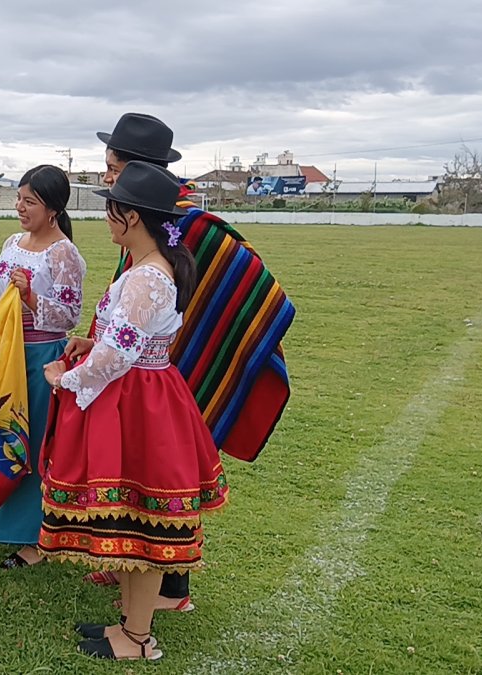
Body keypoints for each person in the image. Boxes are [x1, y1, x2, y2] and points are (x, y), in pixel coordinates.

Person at [85, 113, 295, 613]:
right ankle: (134, 569)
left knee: (168, 474)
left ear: (136, 168)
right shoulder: (148, 218)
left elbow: (249, 284)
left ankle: (172, 587)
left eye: (112, 167)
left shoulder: (189, 224)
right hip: (151, 365)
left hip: (182, 369)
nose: (107, 177)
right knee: (144, 471)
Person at [38, 161, 228, 661]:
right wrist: (90, 340)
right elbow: (125, 339)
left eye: (111, 209)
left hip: (136, 402)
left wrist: (67, 378)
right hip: (143, 395)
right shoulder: (150, 269)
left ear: (133, 218)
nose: (105, 217)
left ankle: (139, 639)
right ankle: (129, 622)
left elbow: (118, 356)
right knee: (128, 515)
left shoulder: (147, 278)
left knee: (144, 522)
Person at [0, 165, 85, 568]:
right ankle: (5, 519)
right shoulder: (12, 241)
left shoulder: (63, 254)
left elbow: (70, 315)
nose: (21, 207)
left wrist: (31, 300)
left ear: (53, 208)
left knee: (34, 442)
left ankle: (38, 537)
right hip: (6, 353)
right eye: (19, 199)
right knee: (3, 434)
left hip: (41, 358)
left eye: (31, 202)